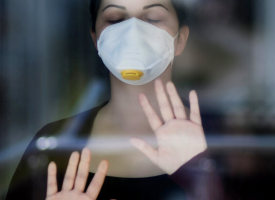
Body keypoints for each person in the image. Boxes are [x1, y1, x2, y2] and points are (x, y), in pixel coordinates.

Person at [6, 0, 224, 199]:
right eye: (115, 20)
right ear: (96, 40)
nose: (133, 32)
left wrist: (201, 178)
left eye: (153, 18)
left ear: (181, 40)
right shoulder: (54, 143)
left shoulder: (226, 139)